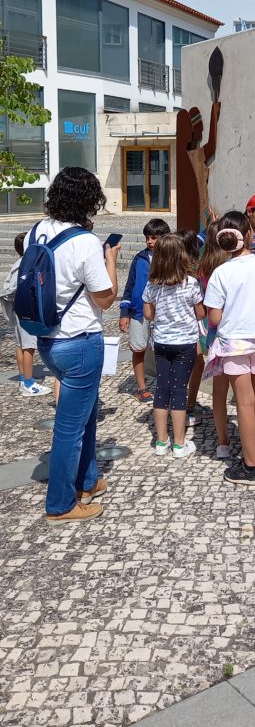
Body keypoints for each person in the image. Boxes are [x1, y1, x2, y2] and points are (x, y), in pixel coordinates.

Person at [22, 167, 120, 524]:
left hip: (48, 337)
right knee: (70, 429)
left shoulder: (37, 230)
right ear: (89, 200)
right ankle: (61, 504)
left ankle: (87, 480)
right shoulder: (85, 242)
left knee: (86, 414)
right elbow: (105, 298)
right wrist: (111, 261)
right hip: (79, 341)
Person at [203, 211, 255, 487]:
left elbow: (214, 317)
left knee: (244, 402)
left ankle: (251, 468)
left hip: (234, 343)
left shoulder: (220, 273)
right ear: (249, 235)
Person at [143, 234, 206, 459]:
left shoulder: (152, 284)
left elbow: (148, 314)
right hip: (185, 343)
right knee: (179, 390)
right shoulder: (191, 283)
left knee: (162, 389)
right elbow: (200, 313)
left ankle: (161, 441)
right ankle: (179, 444)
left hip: (162, 342)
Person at [119, 218, 170, 403]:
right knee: (138, 349)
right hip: (139, 311)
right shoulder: (139, 258)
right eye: (148, 237)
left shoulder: (172, 257)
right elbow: (129, 285)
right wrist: (124, 313)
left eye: (154, 238)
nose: (150, 241)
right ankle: (141, 388)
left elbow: (194, 243)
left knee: (164, 351)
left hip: (163, 312)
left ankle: (166, 387)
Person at [0, 232, 51, 398]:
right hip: (27, 308)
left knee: (20, 344)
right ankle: (28, 383)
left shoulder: (18, 263)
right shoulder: (26, 264)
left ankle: (24, 379)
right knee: (28, 346)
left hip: (19, 307)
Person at [197, 221, 230, 458]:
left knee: (219, 390)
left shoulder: (203, 268)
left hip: (213, 332)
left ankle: (222, 441)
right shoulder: (230, 268)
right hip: (234, 331)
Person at [175, 229, 206, 427]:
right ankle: (183, 408)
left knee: (197, 362)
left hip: (176, 328)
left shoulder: (172, 267)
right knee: (189, 366)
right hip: (186, 326)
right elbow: (200, 312)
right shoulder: (189, 275)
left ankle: (189, 404)